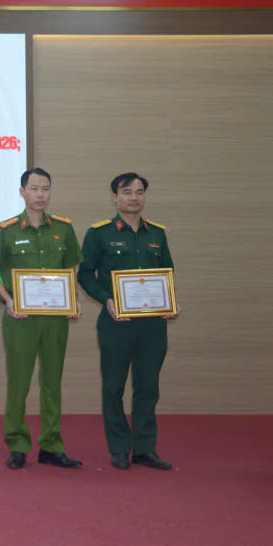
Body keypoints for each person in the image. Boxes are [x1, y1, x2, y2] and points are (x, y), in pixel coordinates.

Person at [0, 167, 83, 471]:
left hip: (55, 319)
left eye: (46, 189)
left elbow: (70, 269)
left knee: (52, 382)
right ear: (22, 192)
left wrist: (72, 299)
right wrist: (8, 300)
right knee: (19, 383)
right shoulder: (7, 229)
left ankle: (51, 445)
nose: (41, 194)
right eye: (35, 188)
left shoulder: (64, 228)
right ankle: (17, 444)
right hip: (21, 318)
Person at [77, 172, 178, 471]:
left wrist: (170, 302)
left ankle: (145, 448)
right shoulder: (99, 233)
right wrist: (105, 298)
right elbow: (85, 274)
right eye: (127, 192)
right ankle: (120, 447)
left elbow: (167, 273)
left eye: (139, 192)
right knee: (113, 386)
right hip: (116, 321)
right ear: (115, 197)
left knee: (148, 387)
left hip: (152, 324)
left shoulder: (157, 233)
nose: (134, 197)